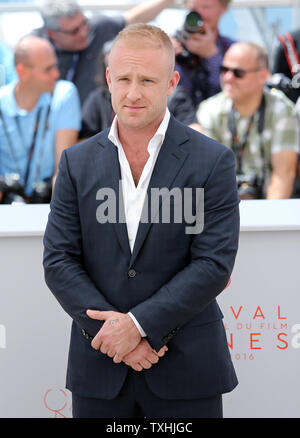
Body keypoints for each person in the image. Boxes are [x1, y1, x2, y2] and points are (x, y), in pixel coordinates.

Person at [43, 23, 239, 418]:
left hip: (187, 369)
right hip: (101, 369)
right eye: (125, 79)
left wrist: (137, 325)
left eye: (148, 80)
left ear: (172, 82)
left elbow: (213, 264)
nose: (133, 93)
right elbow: (59, 260)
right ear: (108, 79)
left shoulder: (212, 160)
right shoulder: (76, 163)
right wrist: (115, 335)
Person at [196, 42, 299, 200]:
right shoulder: (209, 110)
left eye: (238, 73)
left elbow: (283, 175)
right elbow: (207, 176)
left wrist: (267, 223)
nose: (228, 78)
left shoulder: (283, 110)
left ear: (262, 76)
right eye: (224, 70)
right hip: (223, 207)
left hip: (271, 207)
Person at [32, 0, 175, 107]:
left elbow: (135, 17)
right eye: (74, 31)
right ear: (52, 33)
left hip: (96, 121)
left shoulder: (98, 27)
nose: (83, 33)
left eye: (84, 23)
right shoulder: (34, 49)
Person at [0, 36, 81, 204]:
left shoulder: (64, 94)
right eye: (48, 69)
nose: (56, 73)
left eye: (55, 66)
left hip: (48, 203)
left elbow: (63, 170)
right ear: (22, 71)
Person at [171, 0, 235, 111]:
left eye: (206, 7)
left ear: (223, 8)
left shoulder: (234, 50)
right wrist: (166, 60)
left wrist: (212, 56)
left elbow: (234, 96)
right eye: (193, 9)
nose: (199, 14)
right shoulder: (170, 45)